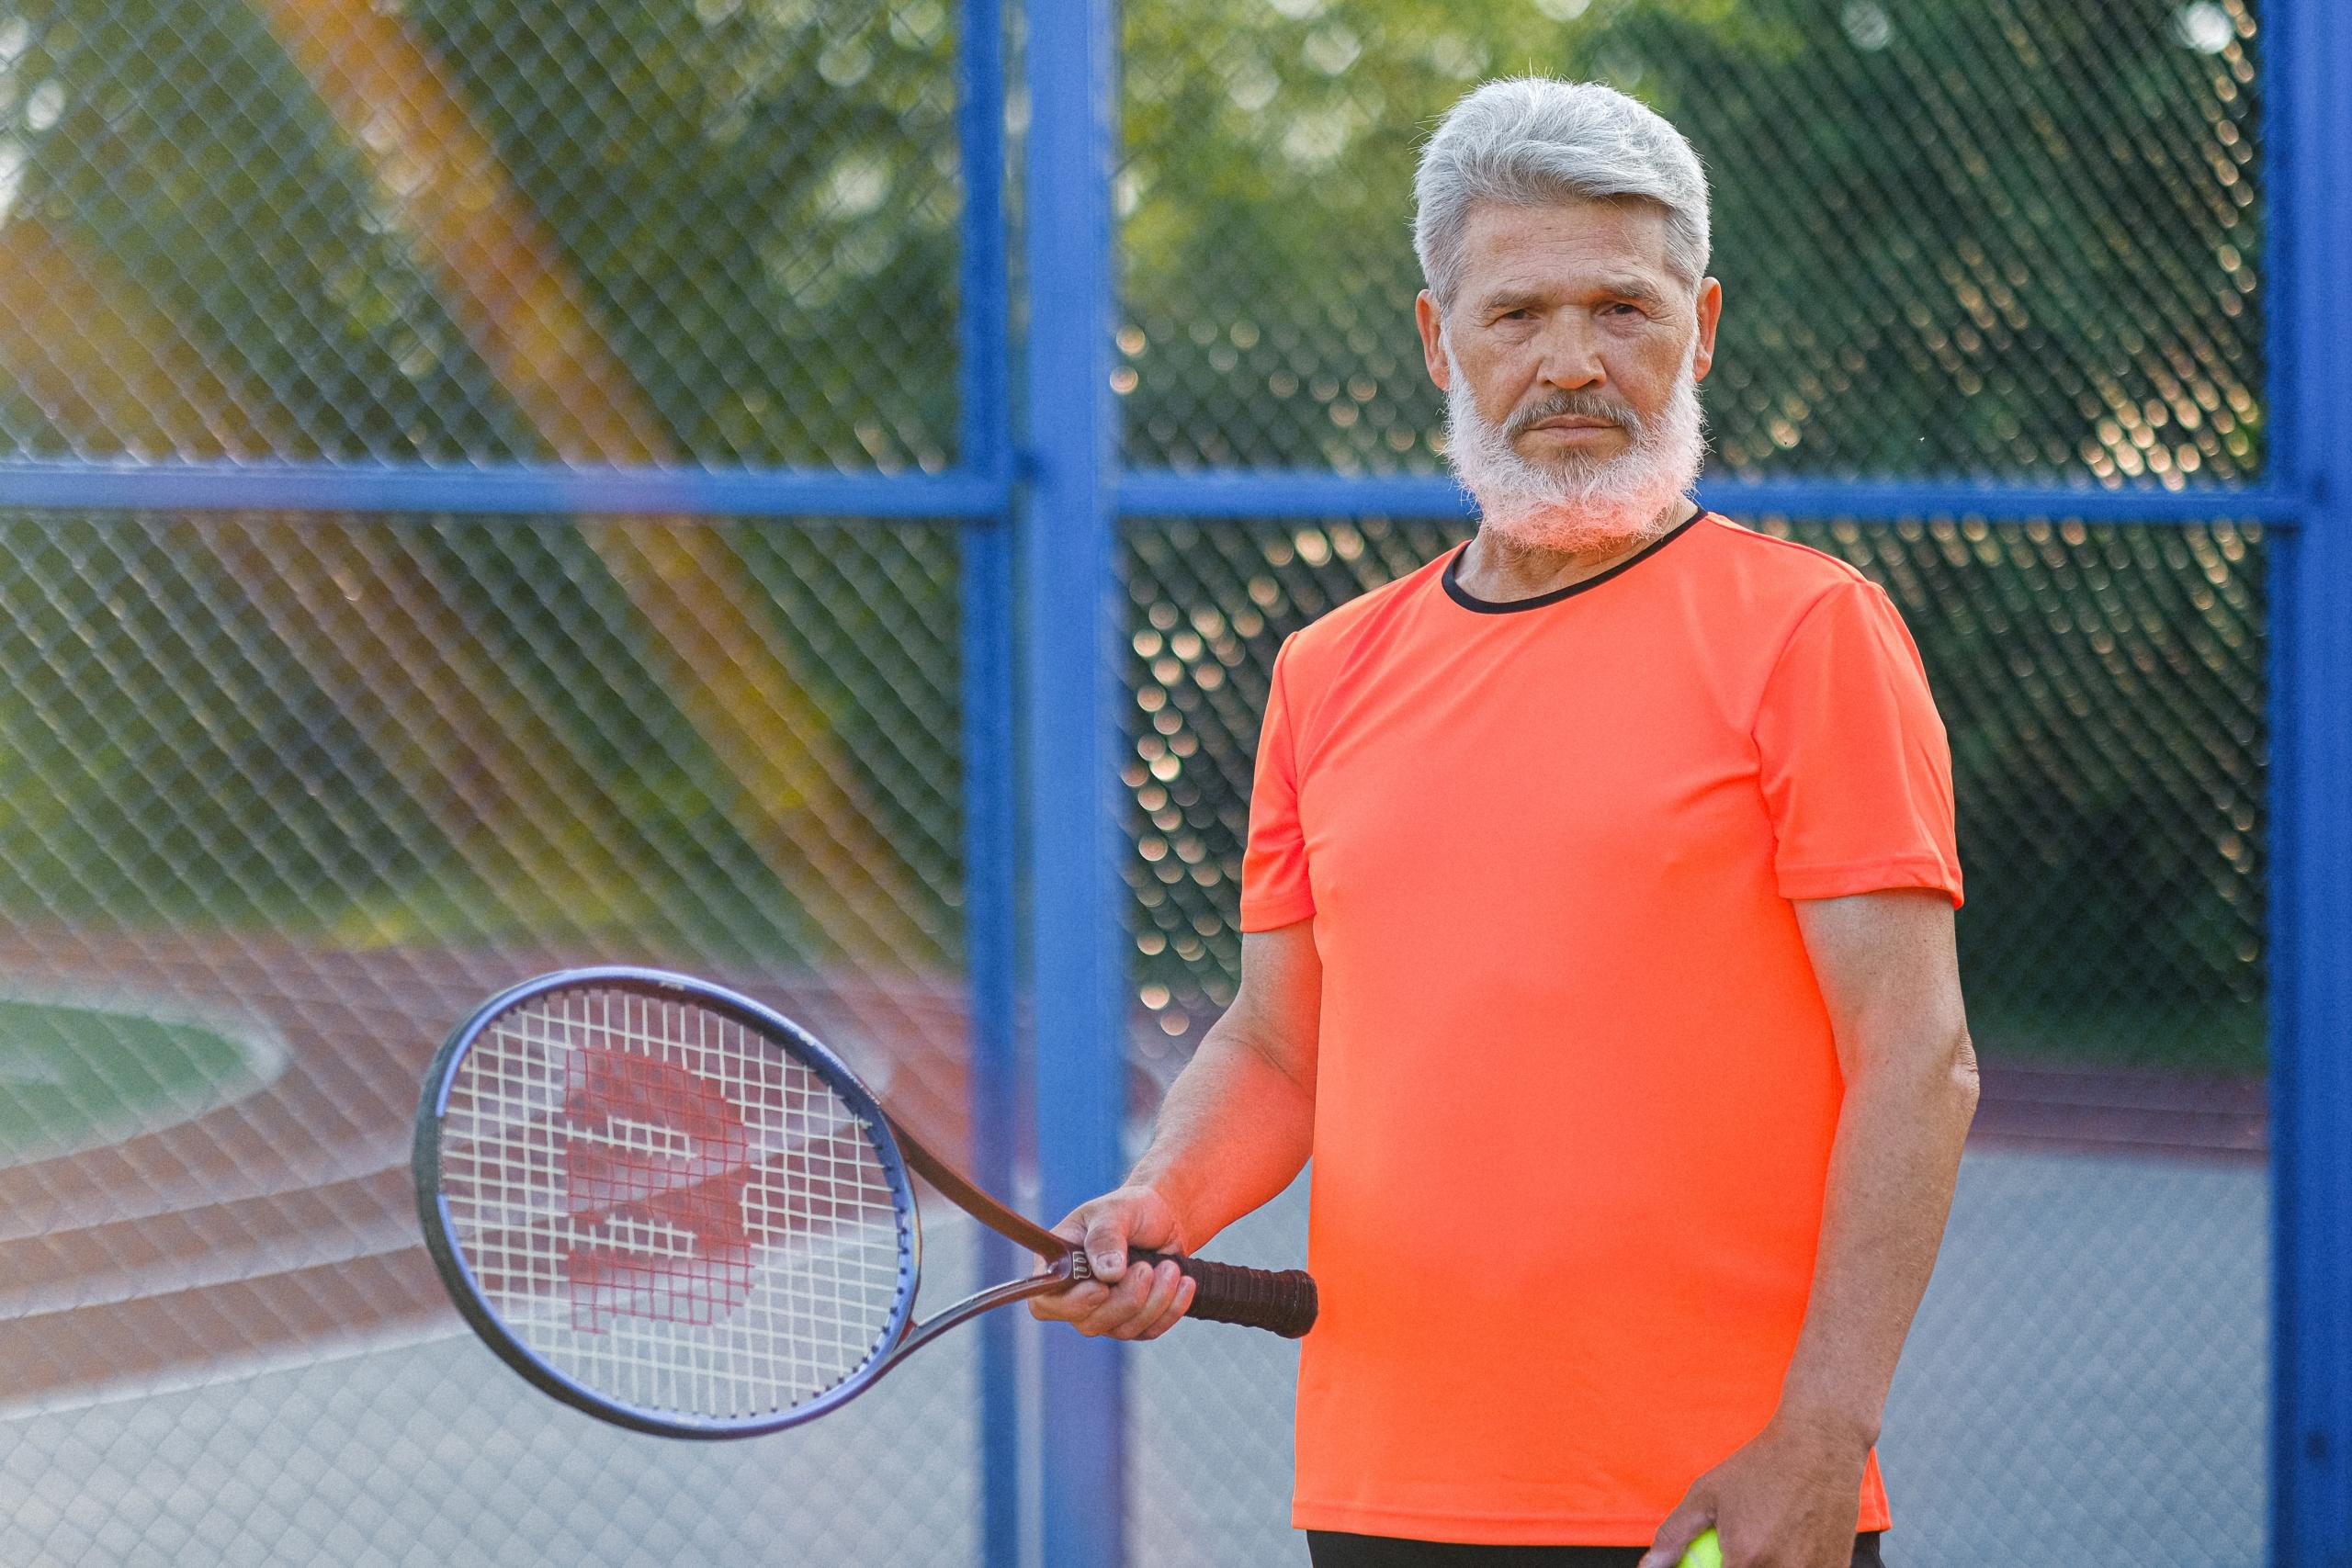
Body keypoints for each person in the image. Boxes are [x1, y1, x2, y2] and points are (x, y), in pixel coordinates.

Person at [1032, 76, 1977, 1568]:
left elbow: (1916, 1061)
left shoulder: (1812, 635)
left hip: (1718, 1498)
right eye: (1518, 314)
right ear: (1439, 341)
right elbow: (1281, 1045)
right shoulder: (1325, 671)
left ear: (1703, 327)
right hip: (1382, 1493)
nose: (1573, 364)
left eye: (1624, 308)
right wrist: (1167, 1198)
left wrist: (1823, 1432)